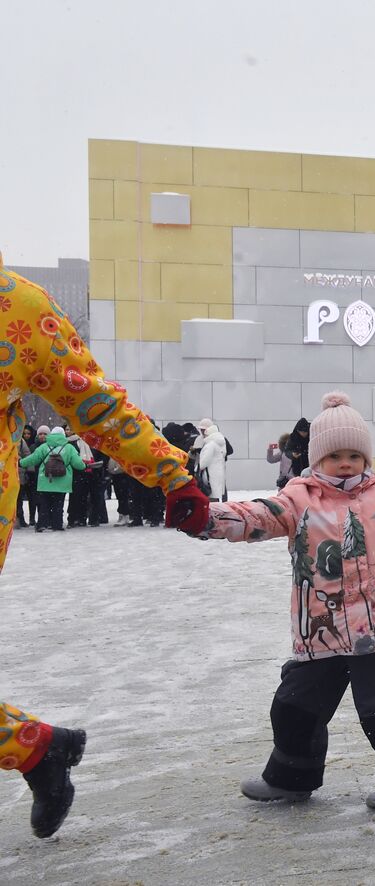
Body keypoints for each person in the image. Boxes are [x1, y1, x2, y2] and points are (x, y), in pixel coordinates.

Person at [0, 259, 206, 838]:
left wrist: (171, 474)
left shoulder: (17, 306)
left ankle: (36, 748)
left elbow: (95, 403)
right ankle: (37, 747)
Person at [179, 393, 375, 811]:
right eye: (334, 455)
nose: (345, 463)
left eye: (353, 454)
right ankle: (292, 775)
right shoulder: (299, 497)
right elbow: (256, 515)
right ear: (316, 459)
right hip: (319, 631)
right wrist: (206, 517)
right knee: (294, 708)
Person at [197, 418, 229, 502]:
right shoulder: (221, 443)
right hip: (218, 475)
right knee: (216, 497)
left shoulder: (210, 445)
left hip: (209, 476)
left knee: (210, 498)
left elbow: (203, 463)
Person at [16, 424, 37, 528]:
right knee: (17, 499)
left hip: (20, 473)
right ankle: (19, 519)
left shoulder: (20, 441)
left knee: (20, 498)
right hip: (13, 473)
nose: (26, 435)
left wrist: (29, 471)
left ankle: (23, 519)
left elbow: (27, 456)